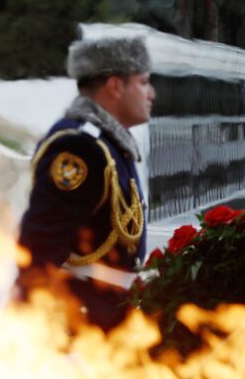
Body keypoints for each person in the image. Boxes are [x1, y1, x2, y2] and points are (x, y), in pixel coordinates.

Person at [17, 29, 155, 331]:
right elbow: (41, 243)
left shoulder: (110, 144)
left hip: (109, 318)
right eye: (144, 82)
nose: (152, 93)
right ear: (115, 86)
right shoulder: (78, 146)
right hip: (80, 323)